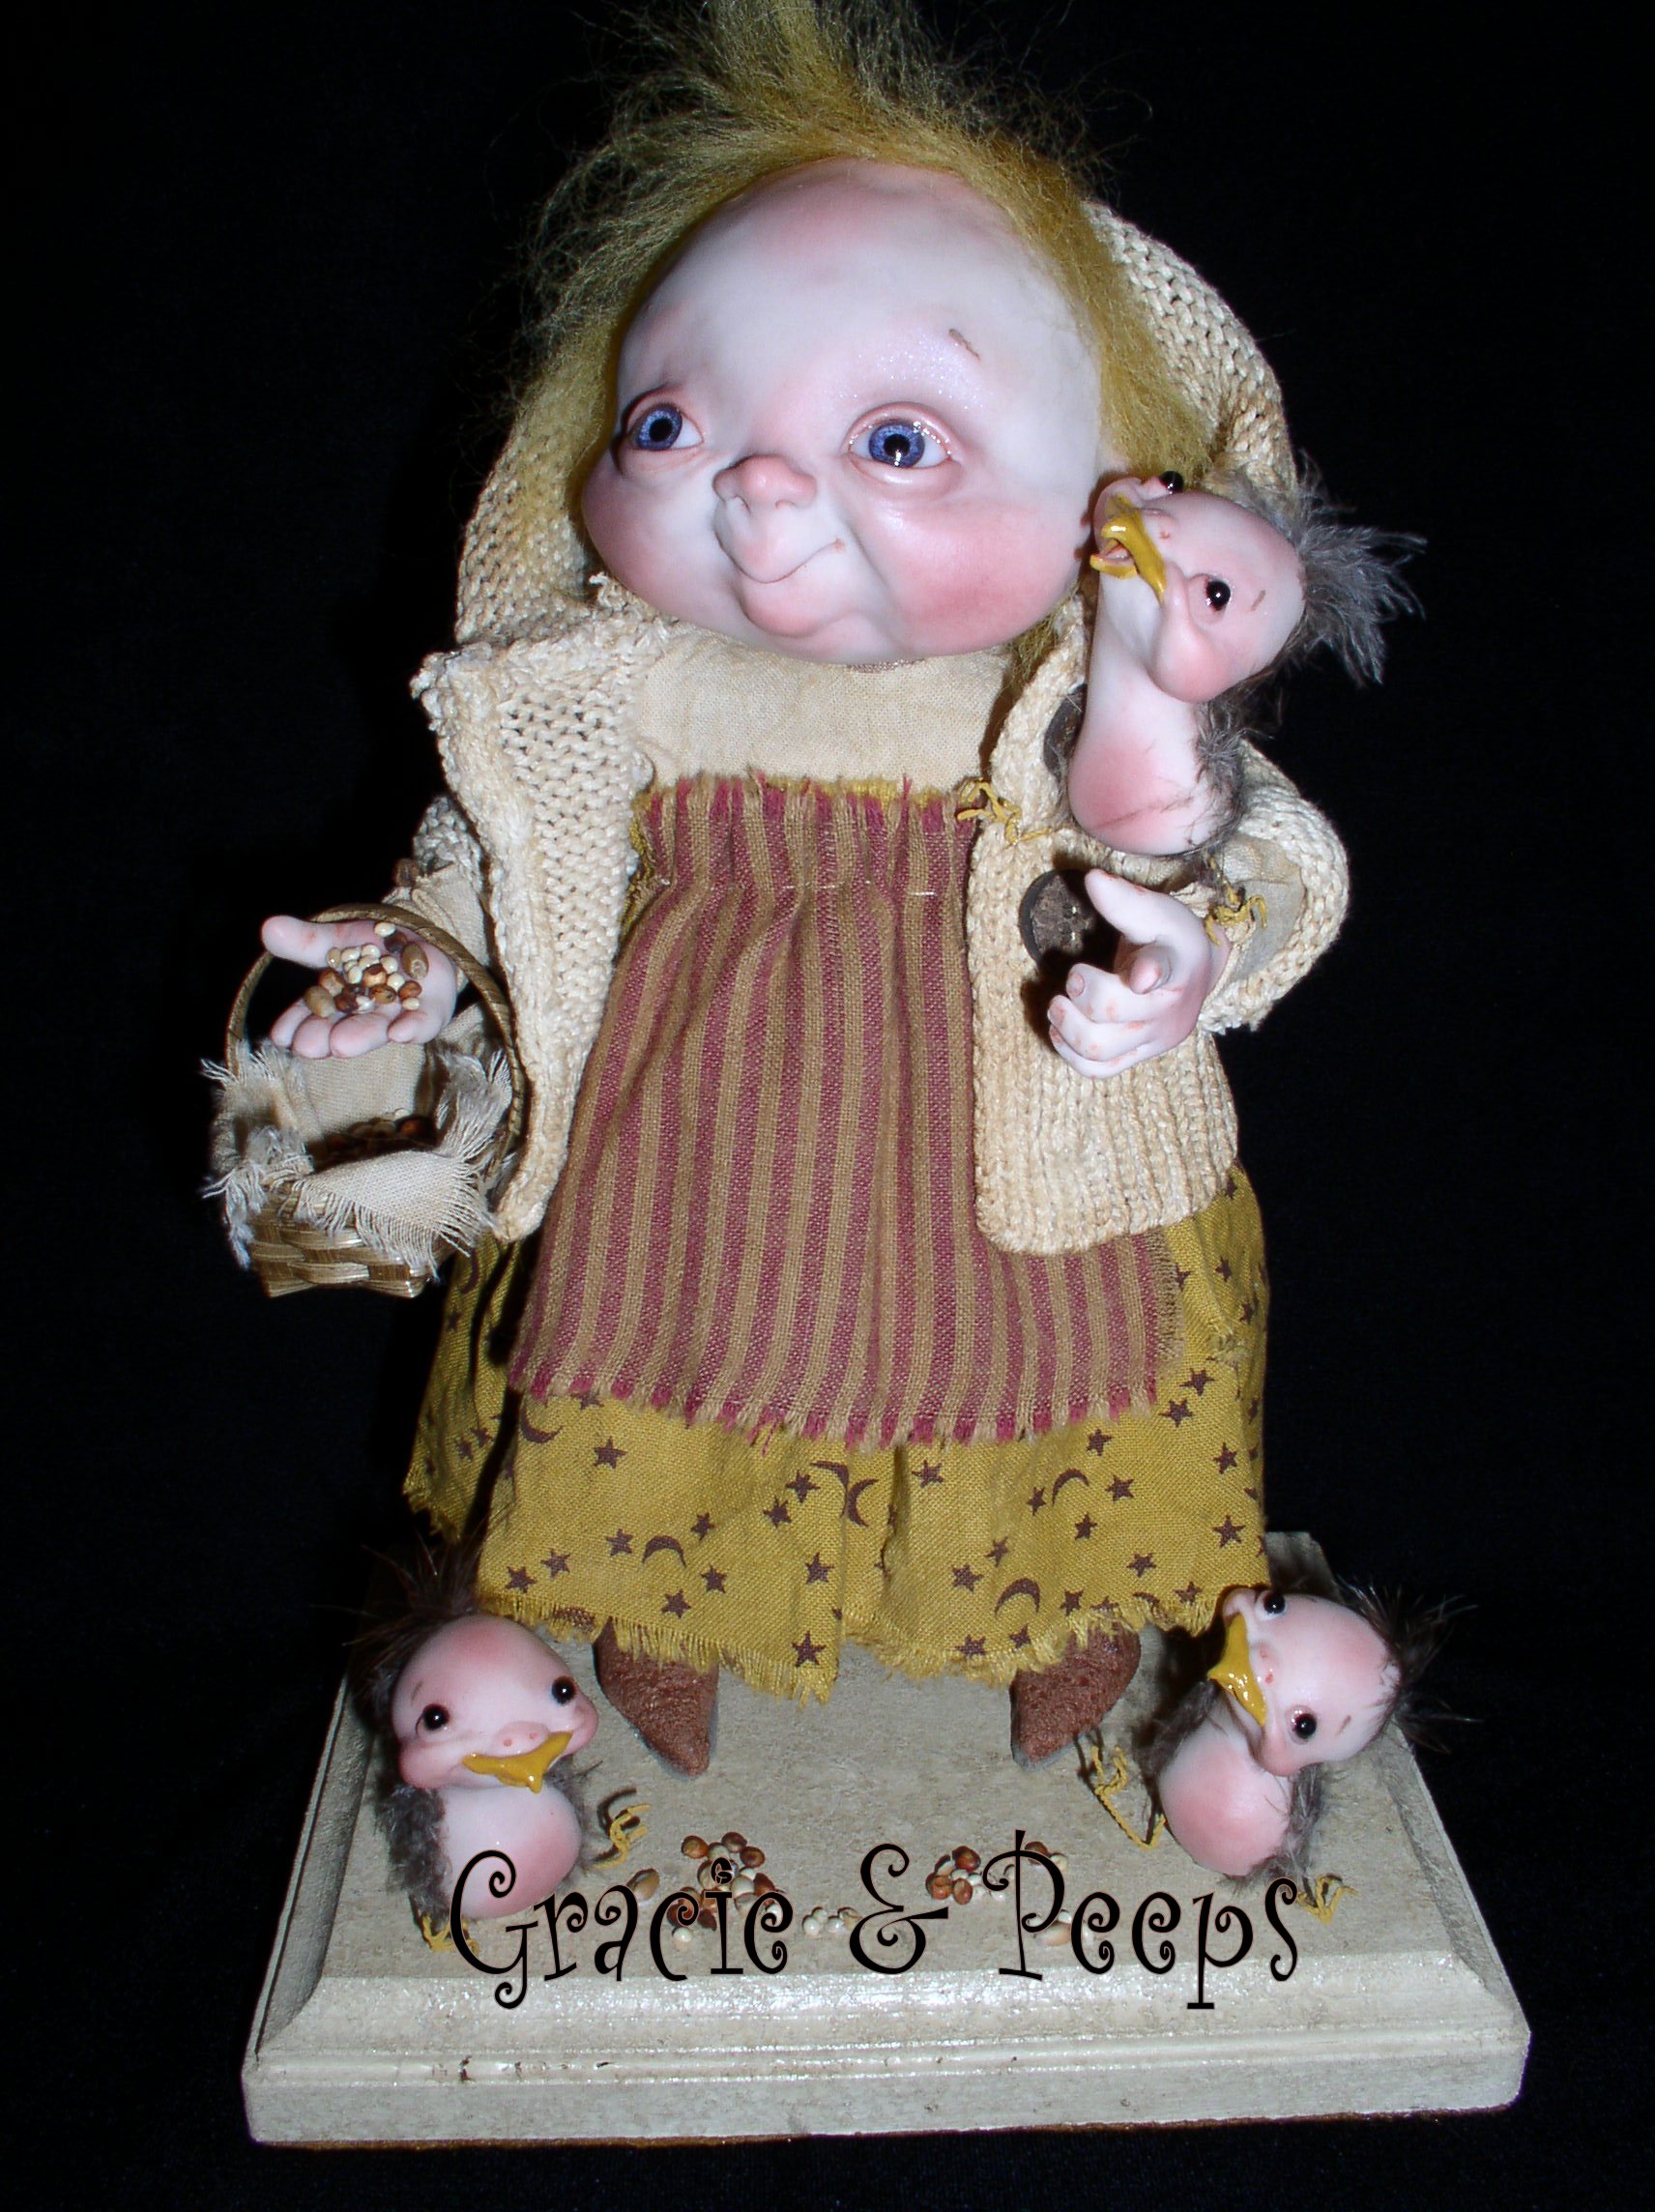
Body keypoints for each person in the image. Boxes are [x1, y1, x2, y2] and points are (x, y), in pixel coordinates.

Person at [253, 1, 1377, 1777]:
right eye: (671, 420)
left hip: (1009, 1126)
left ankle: (1062, 1599)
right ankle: (664, 1600)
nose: (764, 490)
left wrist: (1189, 951)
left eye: (902, 440)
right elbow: (510, 846)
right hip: (701, 1118)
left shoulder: (1076, 701)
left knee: (1047, 1351)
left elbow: (1265, 850)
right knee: (674, 1322)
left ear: (1113, 487)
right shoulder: (607, 685)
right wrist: (422, 955)